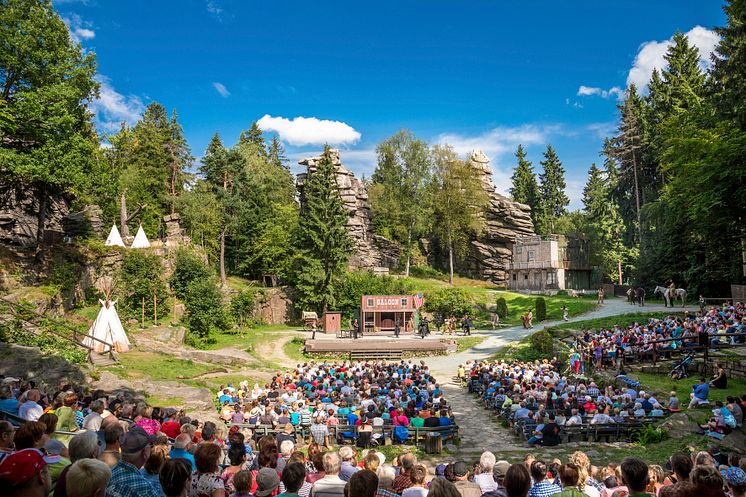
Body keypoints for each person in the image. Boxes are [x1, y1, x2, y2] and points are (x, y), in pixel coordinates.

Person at [106, 426, 161, 497]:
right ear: (144, 453)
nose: (151, 448)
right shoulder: (144, 489)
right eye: (150, 446)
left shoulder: (109, 472)